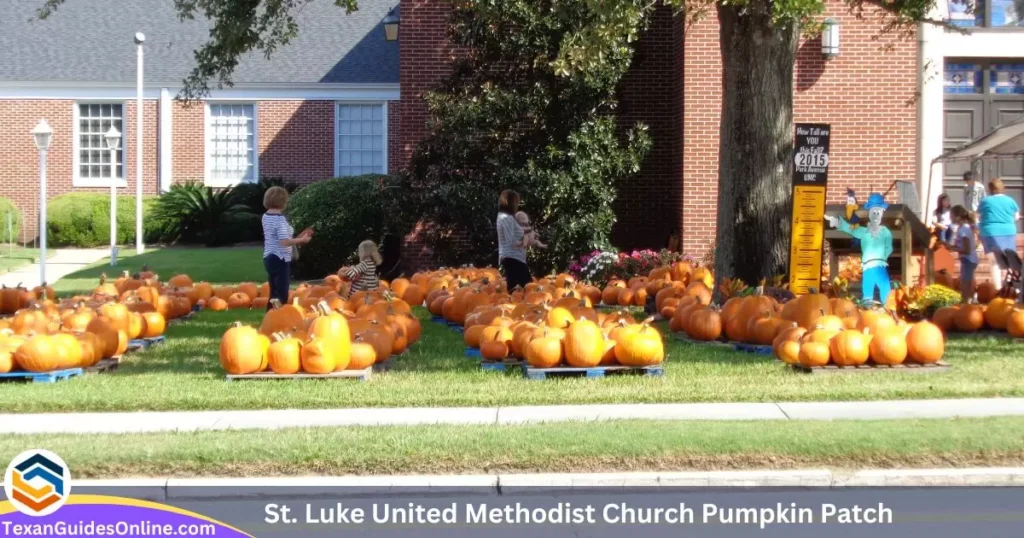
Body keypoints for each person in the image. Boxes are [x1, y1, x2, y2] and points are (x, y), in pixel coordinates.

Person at [825, 193, 893, 304]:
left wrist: (881, 257)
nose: (876, 215)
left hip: (880, 265)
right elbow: (850, 229)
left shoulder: (885, 232)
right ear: (869, 213)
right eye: (873, 212)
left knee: (885, 290)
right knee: (867, 291)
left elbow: (888, 247)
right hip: (867, 266)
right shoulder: (863, 231)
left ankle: (890, 311)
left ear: (882, 213)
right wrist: (837, 222)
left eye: (878, 212)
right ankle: (866, 310)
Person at [262, 186, 312, 310]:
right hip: (280, 258)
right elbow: (284, 242)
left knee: (274, 290)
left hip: (269, 257)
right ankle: (279, 316)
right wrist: (302, 240)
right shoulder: (280, 220)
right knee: (282, 292)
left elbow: (278, 237)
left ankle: (270, 315)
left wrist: (296, 237)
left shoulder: (266, 216)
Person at [976, 178, 1020, 290]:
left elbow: (978, 216)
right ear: (1003, 188)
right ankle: (1011, 286)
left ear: (990, 189)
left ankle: (998, 288)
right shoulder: (1010, 201)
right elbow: (1016, 216)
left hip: (990, 232)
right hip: (1008, 232)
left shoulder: (985, 201)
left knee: (994, 261)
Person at [496, 189, 533, 291]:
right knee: (526, 287)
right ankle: (518, 306)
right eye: (516, 202)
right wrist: (525, 242)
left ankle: (515, 304)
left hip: (512, 257)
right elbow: (511, 240)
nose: (517, 205)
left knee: (516, 287)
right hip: (513, 258)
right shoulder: (506, 218)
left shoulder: (505, 217)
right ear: (510, 203)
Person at [944, 205, 978, 303]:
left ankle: (965, 302)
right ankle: (968, 301)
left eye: (951, 215)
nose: (950, 218)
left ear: (957, 217)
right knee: (966, 281)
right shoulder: (962, 228)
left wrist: (953, 248)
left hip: (969, 260)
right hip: (967, 260)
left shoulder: (964, 230)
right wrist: (950, 246)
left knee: (965, 283)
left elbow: (967, 249)